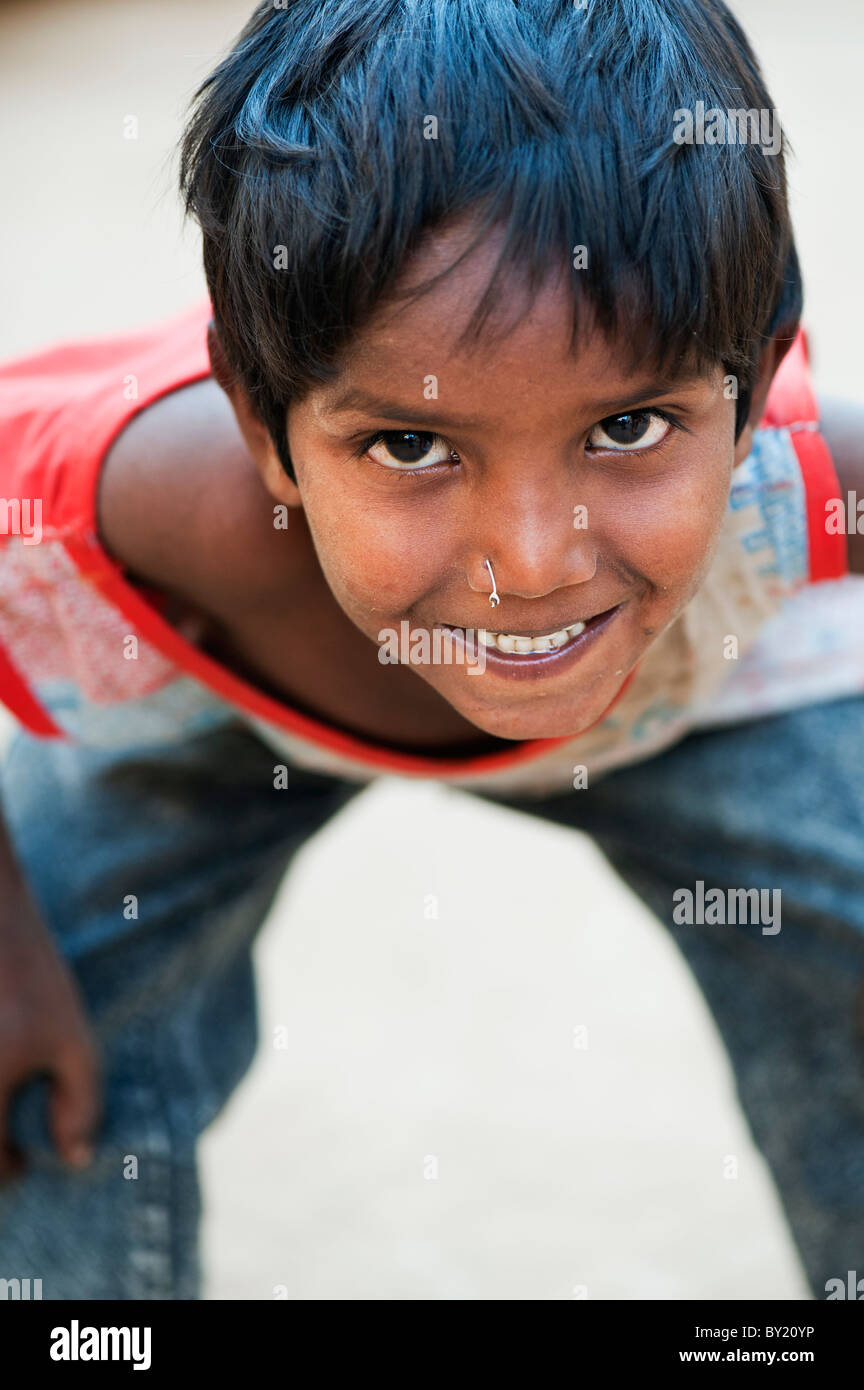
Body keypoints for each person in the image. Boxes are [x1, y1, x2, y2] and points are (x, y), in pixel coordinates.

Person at [0, 0, 862, 1300]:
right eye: (409, 445)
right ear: (264, 427)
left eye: (628, 429)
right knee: (32, 1038)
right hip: (210, 699)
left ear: (754, 393)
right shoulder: (141, 508)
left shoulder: (806, 481)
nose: (530, 562)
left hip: (694, 694)